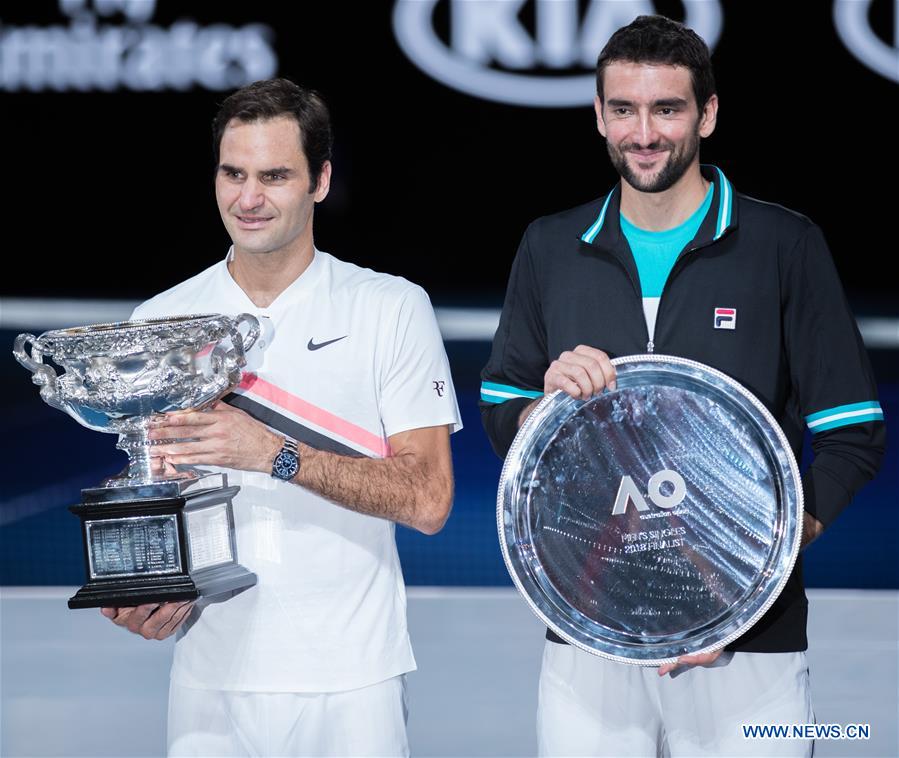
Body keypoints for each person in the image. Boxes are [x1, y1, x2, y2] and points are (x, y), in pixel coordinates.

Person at [480, 15, 885, 758]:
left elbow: (850, 433)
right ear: (598, 116)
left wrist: (743, 587)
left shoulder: (782, 246)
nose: (644, 133)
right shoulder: (549, 245)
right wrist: (545, 406)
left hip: (748, 650)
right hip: (588, 634)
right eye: (623, 110)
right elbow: (504, 406)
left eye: (666, 109)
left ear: (707, 113)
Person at [101, 78, 462, 757]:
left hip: (354, 682)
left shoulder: (388, 308)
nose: (247, 198)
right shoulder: (157, 322)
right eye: (233, 174)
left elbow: (428, 499)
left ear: (320, 181)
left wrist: (273, 453)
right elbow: (157, 496)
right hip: (208, 686)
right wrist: (142, 587)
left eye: (273, 176)